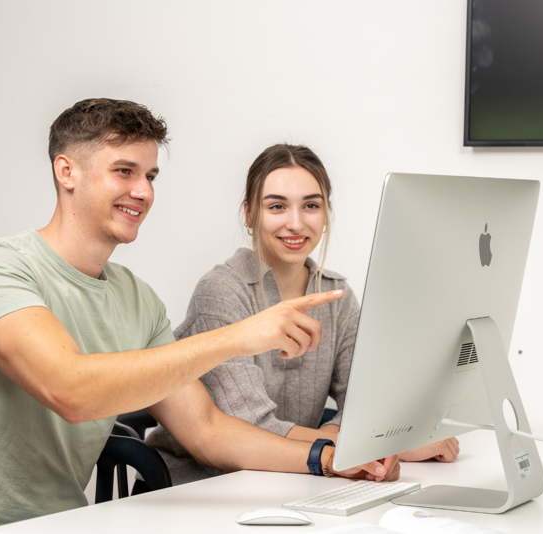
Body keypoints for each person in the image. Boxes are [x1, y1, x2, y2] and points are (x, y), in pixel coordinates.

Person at [0, 100, 397, 534]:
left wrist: (329, 459)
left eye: (149, 176)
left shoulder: (138, 300)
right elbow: (70, 391)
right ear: (66, 171)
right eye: (124, 171)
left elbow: (207, 430)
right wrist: (238, 337)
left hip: (69, 523)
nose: (142, 191)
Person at [147, 144, 460, 485]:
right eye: (277, 206)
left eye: (311, 205)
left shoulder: (336, 296)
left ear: (325, 215)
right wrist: (385, 444)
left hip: (298, 476)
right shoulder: (221, 292)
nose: (296, 224)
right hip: (203, 485)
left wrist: (342, 433)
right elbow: (252, 429)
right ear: (249, 214)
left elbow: (370, 403)